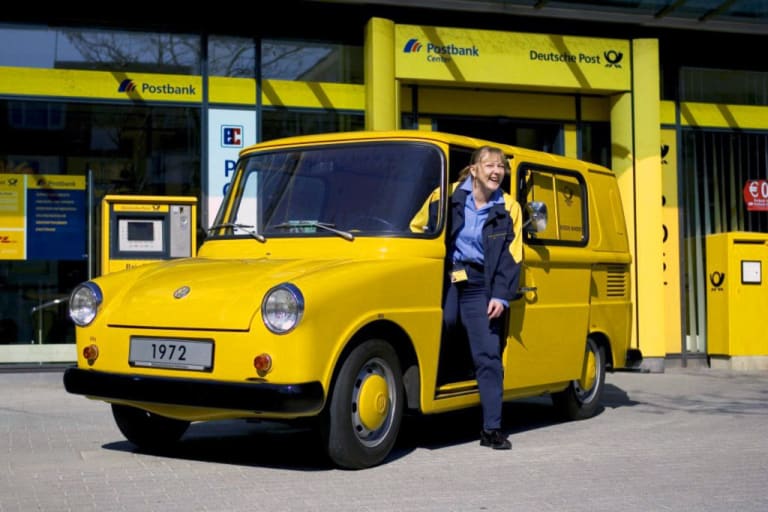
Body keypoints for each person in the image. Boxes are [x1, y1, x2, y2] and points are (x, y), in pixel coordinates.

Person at [443, 146, 523, 450]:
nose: (496, 171)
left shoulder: (508, 206)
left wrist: (501, 296)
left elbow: (512, 257)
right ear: (474, 169)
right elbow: (418, 226)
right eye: (490, 165)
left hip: (481, 282)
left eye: (501, 166)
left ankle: (492, 429)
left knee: (489, 354)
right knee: (443, 323)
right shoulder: (447, 195)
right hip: (449, 275)